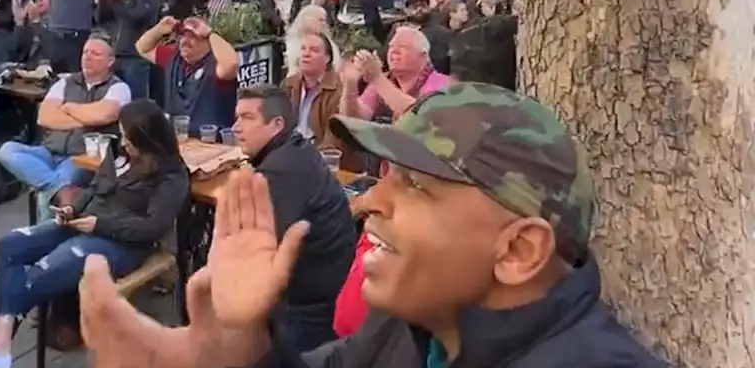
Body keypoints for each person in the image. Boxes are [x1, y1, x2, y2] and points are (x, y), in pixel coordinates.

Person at [78, 84, 666, 368]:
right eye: (384, 176)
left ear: (518, 251)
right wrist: (242, 346)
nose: (366, 203)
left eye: (414, 185)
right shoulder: (412, 324)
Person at [0, 100, 189, 368]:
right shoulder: (117, 151)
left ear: (148, 140)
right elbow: (93, 188)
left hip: (124, 245)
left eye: (129, 138)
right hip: (84, 222)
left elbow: (152, 227)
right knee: (12, 244)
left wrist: (99, 225)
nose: (123, 141)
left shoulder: (171, 177)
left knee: (36, 275)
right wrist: (72, 207)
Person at [230, 85, 356, 352]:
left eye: (247, 118)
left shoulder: (280, 170)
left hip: (308, 309)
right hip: (324, 292)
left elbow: (260, 254)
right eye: (237, 117)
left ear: (276, 125)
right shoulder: (295, 149)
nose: (235, 127)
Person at [0, 36, 131, 212]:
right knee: (7, 150)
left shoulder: (119, 88)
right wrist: (86, 118)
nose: (87, 57)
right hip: (46, 151)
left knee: (47, 195)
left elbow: (104, 114)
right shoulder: (65, 82)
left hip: (80, 157)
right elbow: (44, 117)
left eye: (95, 54)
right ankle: (60, 189)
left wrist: (68, 107)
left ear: (110, 61)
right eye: (85, 52)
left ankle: (45, 234)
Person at [135, 16, 239, 131]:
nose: (185, 41)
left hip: (212, 141)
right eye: (183, 35)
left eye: (193, 37)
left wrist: (210, 33)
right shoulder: (173, 57)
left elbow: (232, 65)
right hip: (178, 139)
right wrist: (160, 28)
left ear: (208, 42)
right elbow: (142, 47)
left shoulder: (215, 64)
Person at [341, 25, 452, 124]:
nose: (394, 51)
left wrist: (377, 80)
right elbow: (357, 118)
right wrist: (350, 84)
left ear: (423, 56)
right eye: (391, 47)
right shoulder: (386, 79)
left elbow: (420, 117)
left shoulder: (442, 84)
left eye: (404, 47)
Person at [95, 0, 159, 100]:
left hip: (136, 60)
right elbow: (100, 19)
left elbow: (136, 16)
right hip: (114, 58)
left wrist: (117, 1)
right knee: (114, 104)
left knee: (136, 105)